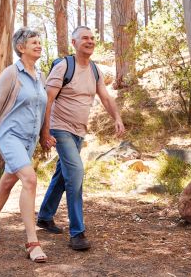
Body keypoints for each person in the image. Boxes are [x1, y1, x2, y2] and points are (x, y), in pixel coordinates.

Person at [37, 26, 125, 251]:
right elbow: (47, 101)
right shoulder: (64, 66)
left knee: (61, 173)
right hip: (60, 128)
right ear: (74, 43)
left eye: (92, 38)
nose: (90, 41)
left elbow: (105, 97)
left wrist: (117, 117)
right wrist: (44, 132)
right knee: (75, 173)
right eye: (84, 38)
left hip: (79, 131)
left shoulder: (95, 70)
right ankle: (77, 232)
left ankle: (45, 216)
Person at [0, 27, 50, 263]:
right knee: (29, 179)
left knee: (8, 182)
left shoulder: (40, 76)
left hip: (28, 140)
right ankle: (32, 242)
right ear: (21, 48)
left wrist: (43, 136)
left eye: (40, 42)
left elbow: (42, 108)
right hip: (9, 136)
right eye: (33, 43)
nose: (39, 45)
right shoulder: (11, 73)